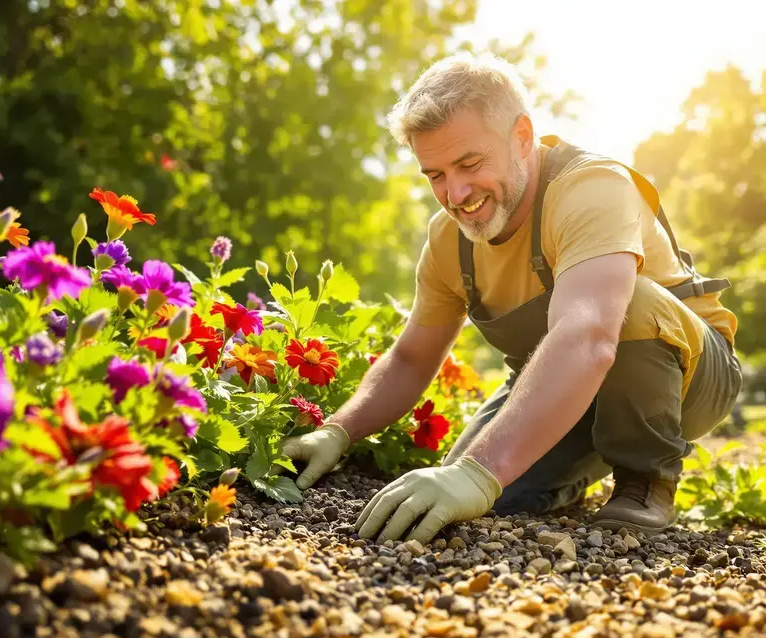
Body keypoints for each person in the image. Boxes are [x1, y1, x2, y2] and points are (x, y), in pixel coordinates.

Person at [282, 52, 742, 544]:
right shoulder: (448, 240)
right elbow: (412, 358)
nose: (456, 193)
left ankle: (645, 480)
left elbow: (589, 335)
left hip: (689, 377)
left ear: (522, 137)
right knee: (470, 493)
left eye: (469, 163)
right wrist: (336, 431)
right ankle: (569, 470)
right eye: (435, 175)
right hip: (565, 379)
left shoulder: (592, 188)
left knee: (624, 303)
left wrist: (479, 471)